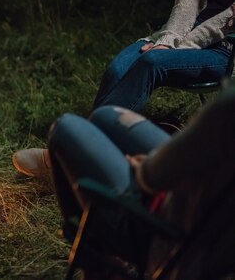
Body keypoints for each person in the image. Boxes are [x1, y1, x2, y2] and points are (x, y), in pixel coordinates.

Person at [12, 0, 235, 177]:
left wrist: (180, 47)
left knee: (151, 62)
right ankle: (90, 160)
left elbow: (228, 20)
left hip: (222, 50)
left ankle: (71, 156)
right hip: (182, 35)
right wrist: (169, 39)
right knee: (118, 66)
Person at [46, 87, 235, 279]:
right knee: (107, 115)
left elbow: (149, 179)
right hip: (200, 203)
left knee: (64, 126)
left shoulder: (228, 107)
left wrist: (147, 165)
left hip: (164, 236)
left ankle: (98, 265)